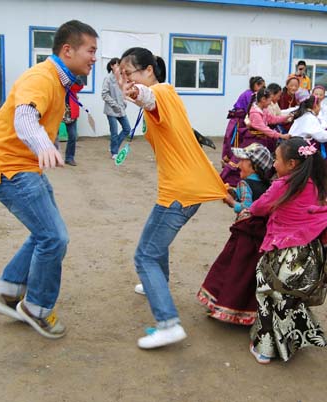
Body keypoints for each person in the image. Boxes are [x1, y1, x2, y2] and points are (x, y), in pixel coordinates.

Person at [0, 20, 98, 338]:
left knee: (44, 232)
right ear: (68, 50)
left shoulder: (60, 81)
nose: (94, 58)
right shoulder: (41, 77)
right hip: (8, 169)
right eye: (91, 50)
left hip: (22, 167)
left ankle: (9, 292)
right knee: (54, 237)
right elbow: (24, 117)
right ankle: (37, 308)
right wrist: (44, 144)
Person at [117, 47, 227, 349]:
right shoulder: (167, 98)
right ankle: (157, 286)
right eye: (123, 74)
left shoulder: (161, 92)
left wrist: (133, 90)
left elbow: (146, 96)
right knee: (155, 246)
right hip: (181, 189)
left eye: (130, 72)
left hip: (180, 192)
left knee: (145, 255)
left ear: (148, 70)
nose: (126, 78)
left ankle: (168, 323)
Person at [248, 137, 327, 364]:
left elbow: (260, 207)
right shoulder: (314, 184)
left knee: (268, 294)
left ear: (292, 164)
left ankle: (266, 349)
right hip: (310, 254)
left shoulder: (282, 185)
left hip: (284, 253)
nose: (274, 164)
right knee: (291, 299)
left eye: (276, 159)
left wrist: (247, 209)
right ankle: (291, 341)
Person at [197, 143, 273, 325]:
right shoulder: (267, 184)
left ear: (253, 165)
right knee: (249, 273)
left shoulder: (245, 183)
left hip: (245, 235)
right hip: (261, 235)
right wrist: (232, 191)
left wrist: (232, 201)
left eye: (243, 161)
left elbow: (247, 207)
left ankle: (223, 304)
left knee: (232, 267)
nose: (239, 164)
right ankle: (247, 310)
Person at [220, 76, 265, 186]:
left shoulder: (250, 93)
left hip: (240, 121)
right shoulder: (250, 95)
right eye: (262, 86)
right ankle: (230, 171)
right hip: (239, 122)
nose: (264, 89)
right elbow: (249, 111)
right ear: (256, 85)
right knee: (237, 146)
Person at [244, 87, 291, 152]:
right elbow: (264, 129)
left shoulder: (263, 110)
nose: (270, 103)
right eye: (269, 100)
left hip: (260, 139)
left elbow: (272, 119)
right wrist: (281, 136)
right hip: (254, 141)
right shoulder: (255, 113)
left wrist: (285, 117)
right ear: (263, 99)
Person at [102, 57, 131, 159]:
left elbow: (124, 93)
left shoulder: (122, 78)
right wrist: (115, 105)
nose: (119, 68)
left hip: (121, 110)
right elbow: (104, 94)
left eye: (120, 65)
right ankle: (114, 152)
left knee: (127, 129)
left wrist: (124, 103)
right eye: (117, 65)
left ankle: (113, 146)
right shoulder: (108, 79)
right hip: (111, 110)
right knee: (114, 132)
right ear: (112, 66)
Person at [63, 79, 84, 166]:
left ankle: (69, 157)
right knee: (52, 136)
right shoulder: (56, 84)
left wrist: (77, 80)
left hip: (70, 112)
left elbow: (79, 86)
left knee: (73, 136)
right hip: (57, 111)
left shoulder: (72, 86)